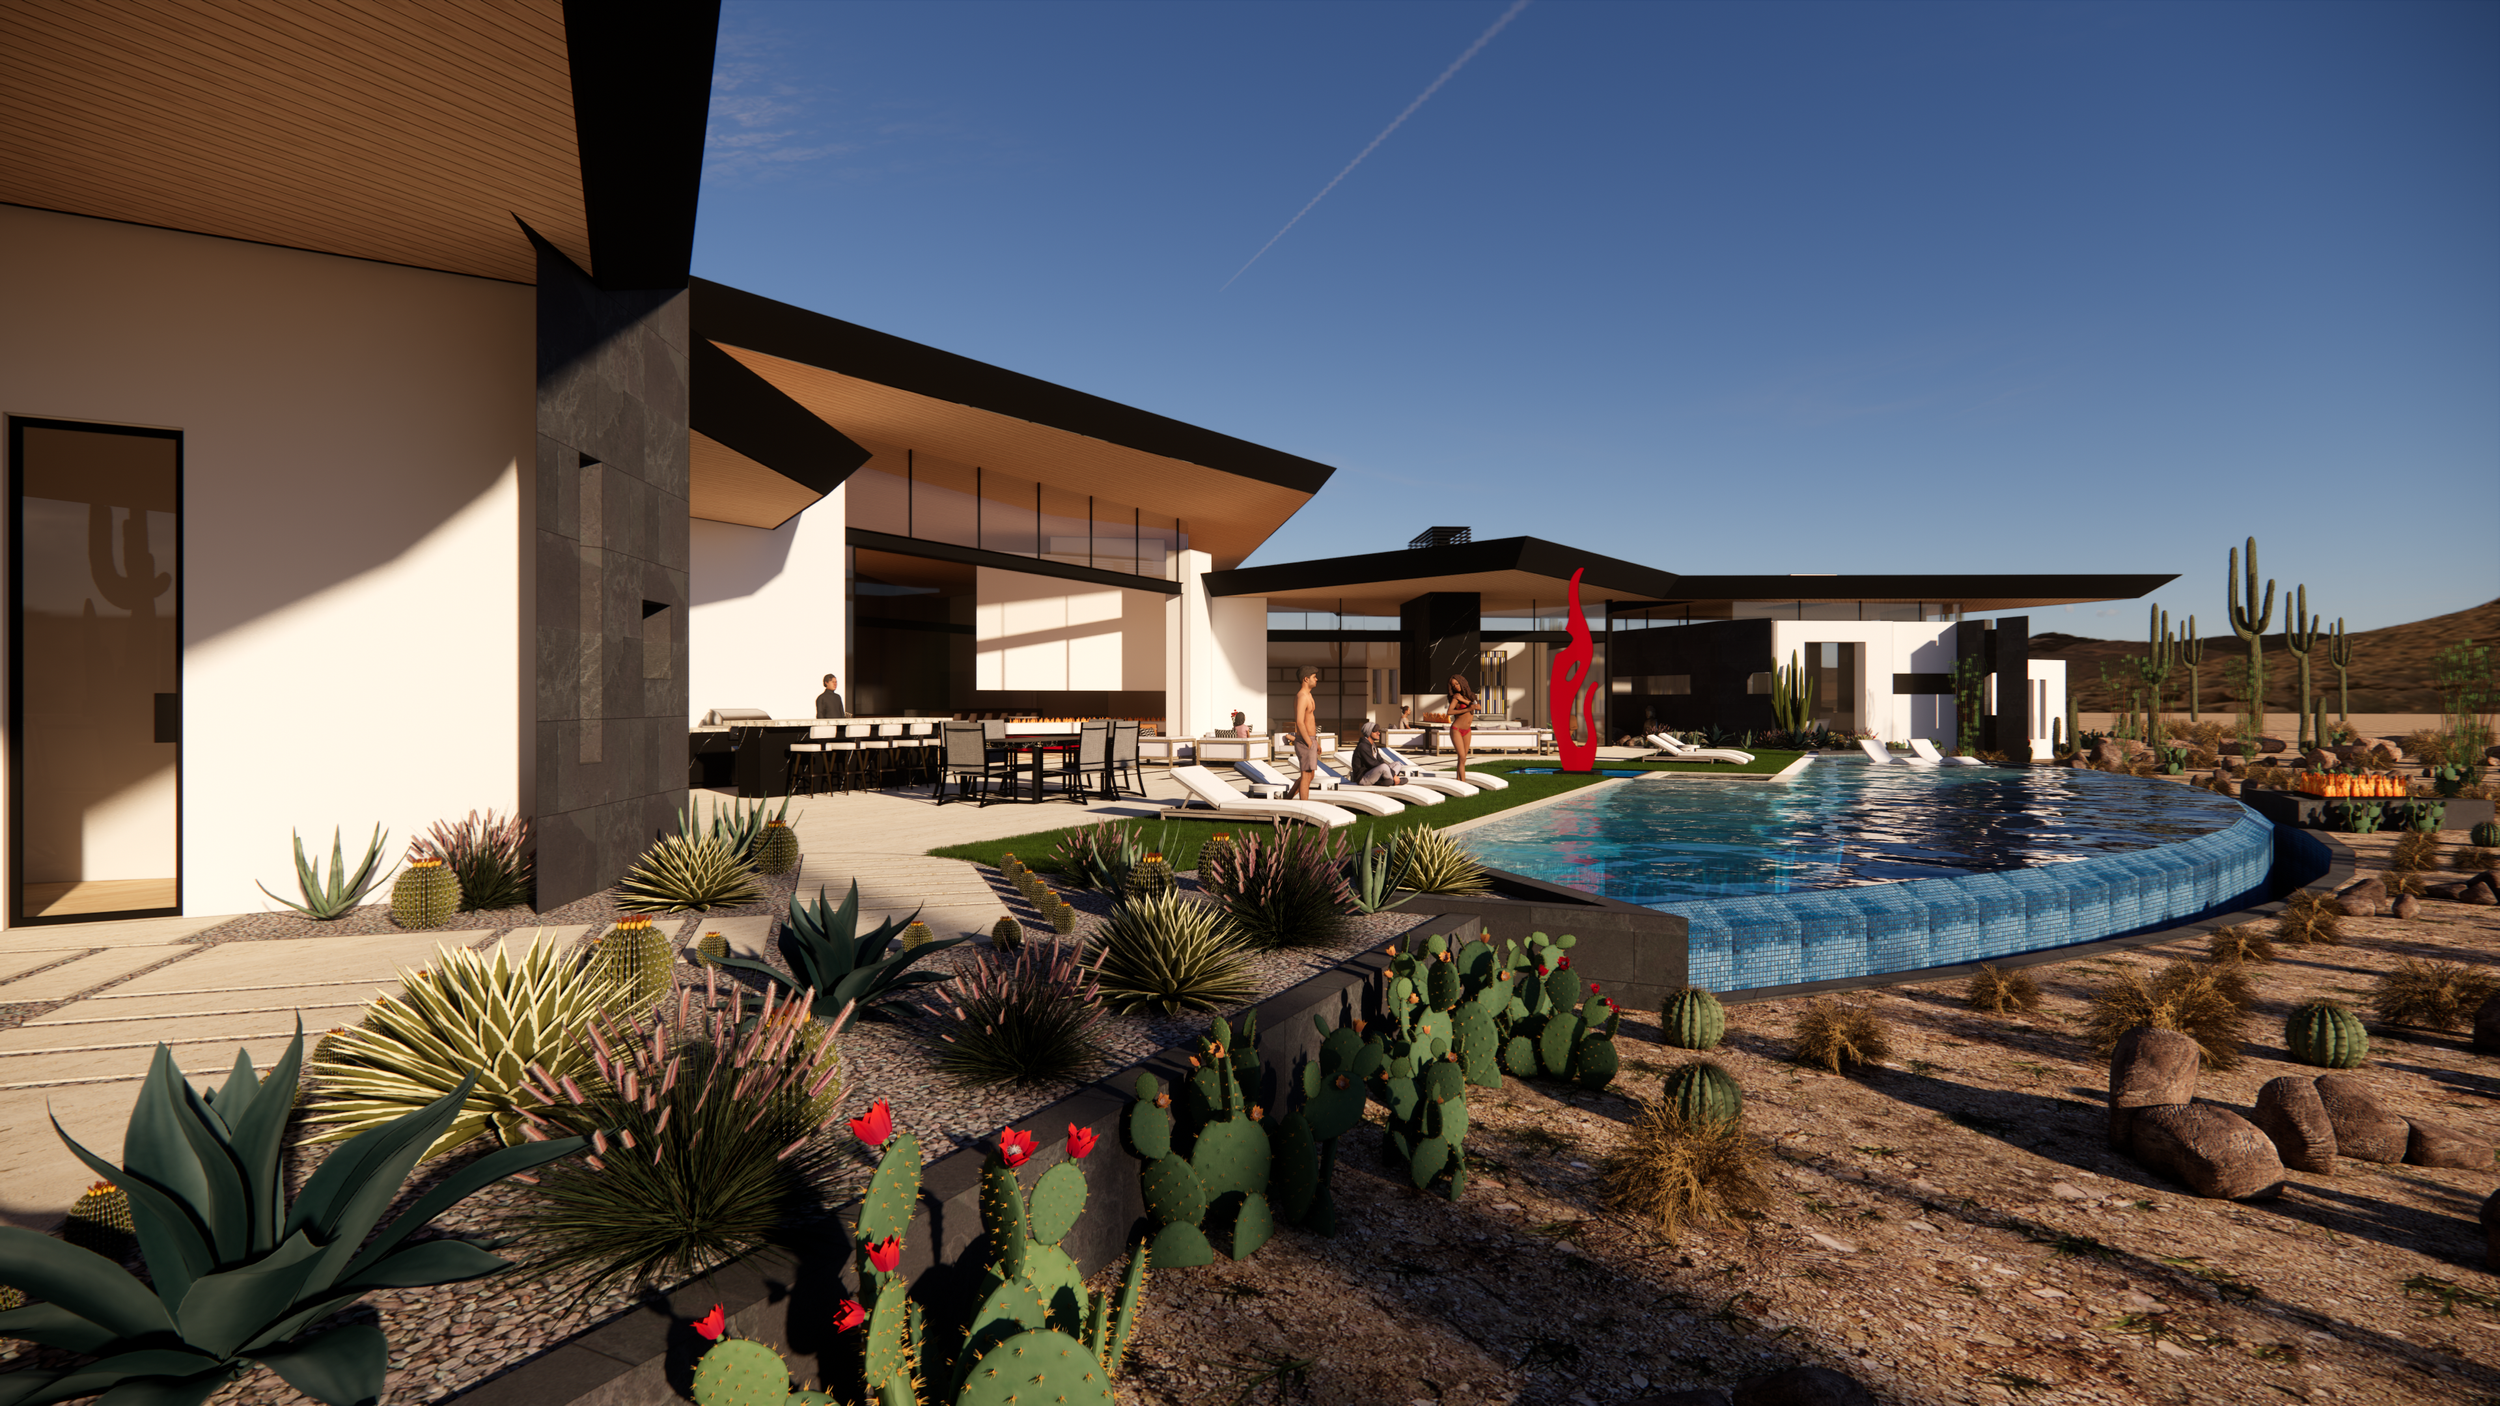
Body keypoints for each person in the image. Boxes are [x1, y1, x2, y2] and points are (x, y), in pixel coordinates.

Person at [1290, 666, 1321, 801]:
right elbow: (1300, 721)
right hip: (1305, 740)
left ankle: (1288, 799)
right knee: (1306, 775)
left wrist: (1315, 742)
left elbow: (1310, 720)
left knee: (1310, 775)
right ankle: (1304, 805)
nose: (1316, 679)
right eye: (1314, 677)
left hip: (1310, 739)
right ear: (1306, 679)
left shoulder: (1309, 695)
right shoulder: (1302, 696)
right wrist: (1308, 741)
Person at [1351, 719, 1403, 786]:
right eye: (1375, 731)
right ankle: (1392, 780)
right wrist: (1393, 775)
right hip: (1363, 778)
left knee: (1397, 764)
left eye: (1378, 731)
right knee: (1384, 767)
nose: (1378, 733)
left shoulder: (1373, 745)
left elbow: (1380, 760)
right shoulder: (1363, 746)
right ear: (1369, 732)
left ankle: (1387, 780)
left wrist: (1392, 772)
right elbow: (1374, 763)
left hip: (1373, 773)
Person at [1447, 672, 1477, 782]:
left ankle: (1459, 781)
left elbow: (1477, 706)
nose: (1455, 686)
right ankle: (1463, 782)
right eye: (1453, 685)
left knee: (1463, 759)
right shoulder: (1455, 698)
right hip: (1457, 730)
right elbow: (1449, 712)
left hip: (1467, 730)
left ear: (1462, 683)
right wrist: (1467, 709)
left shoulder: (1471, 696)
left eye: (1457, 683)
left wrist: (1465, 701)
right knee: (1462, 757)